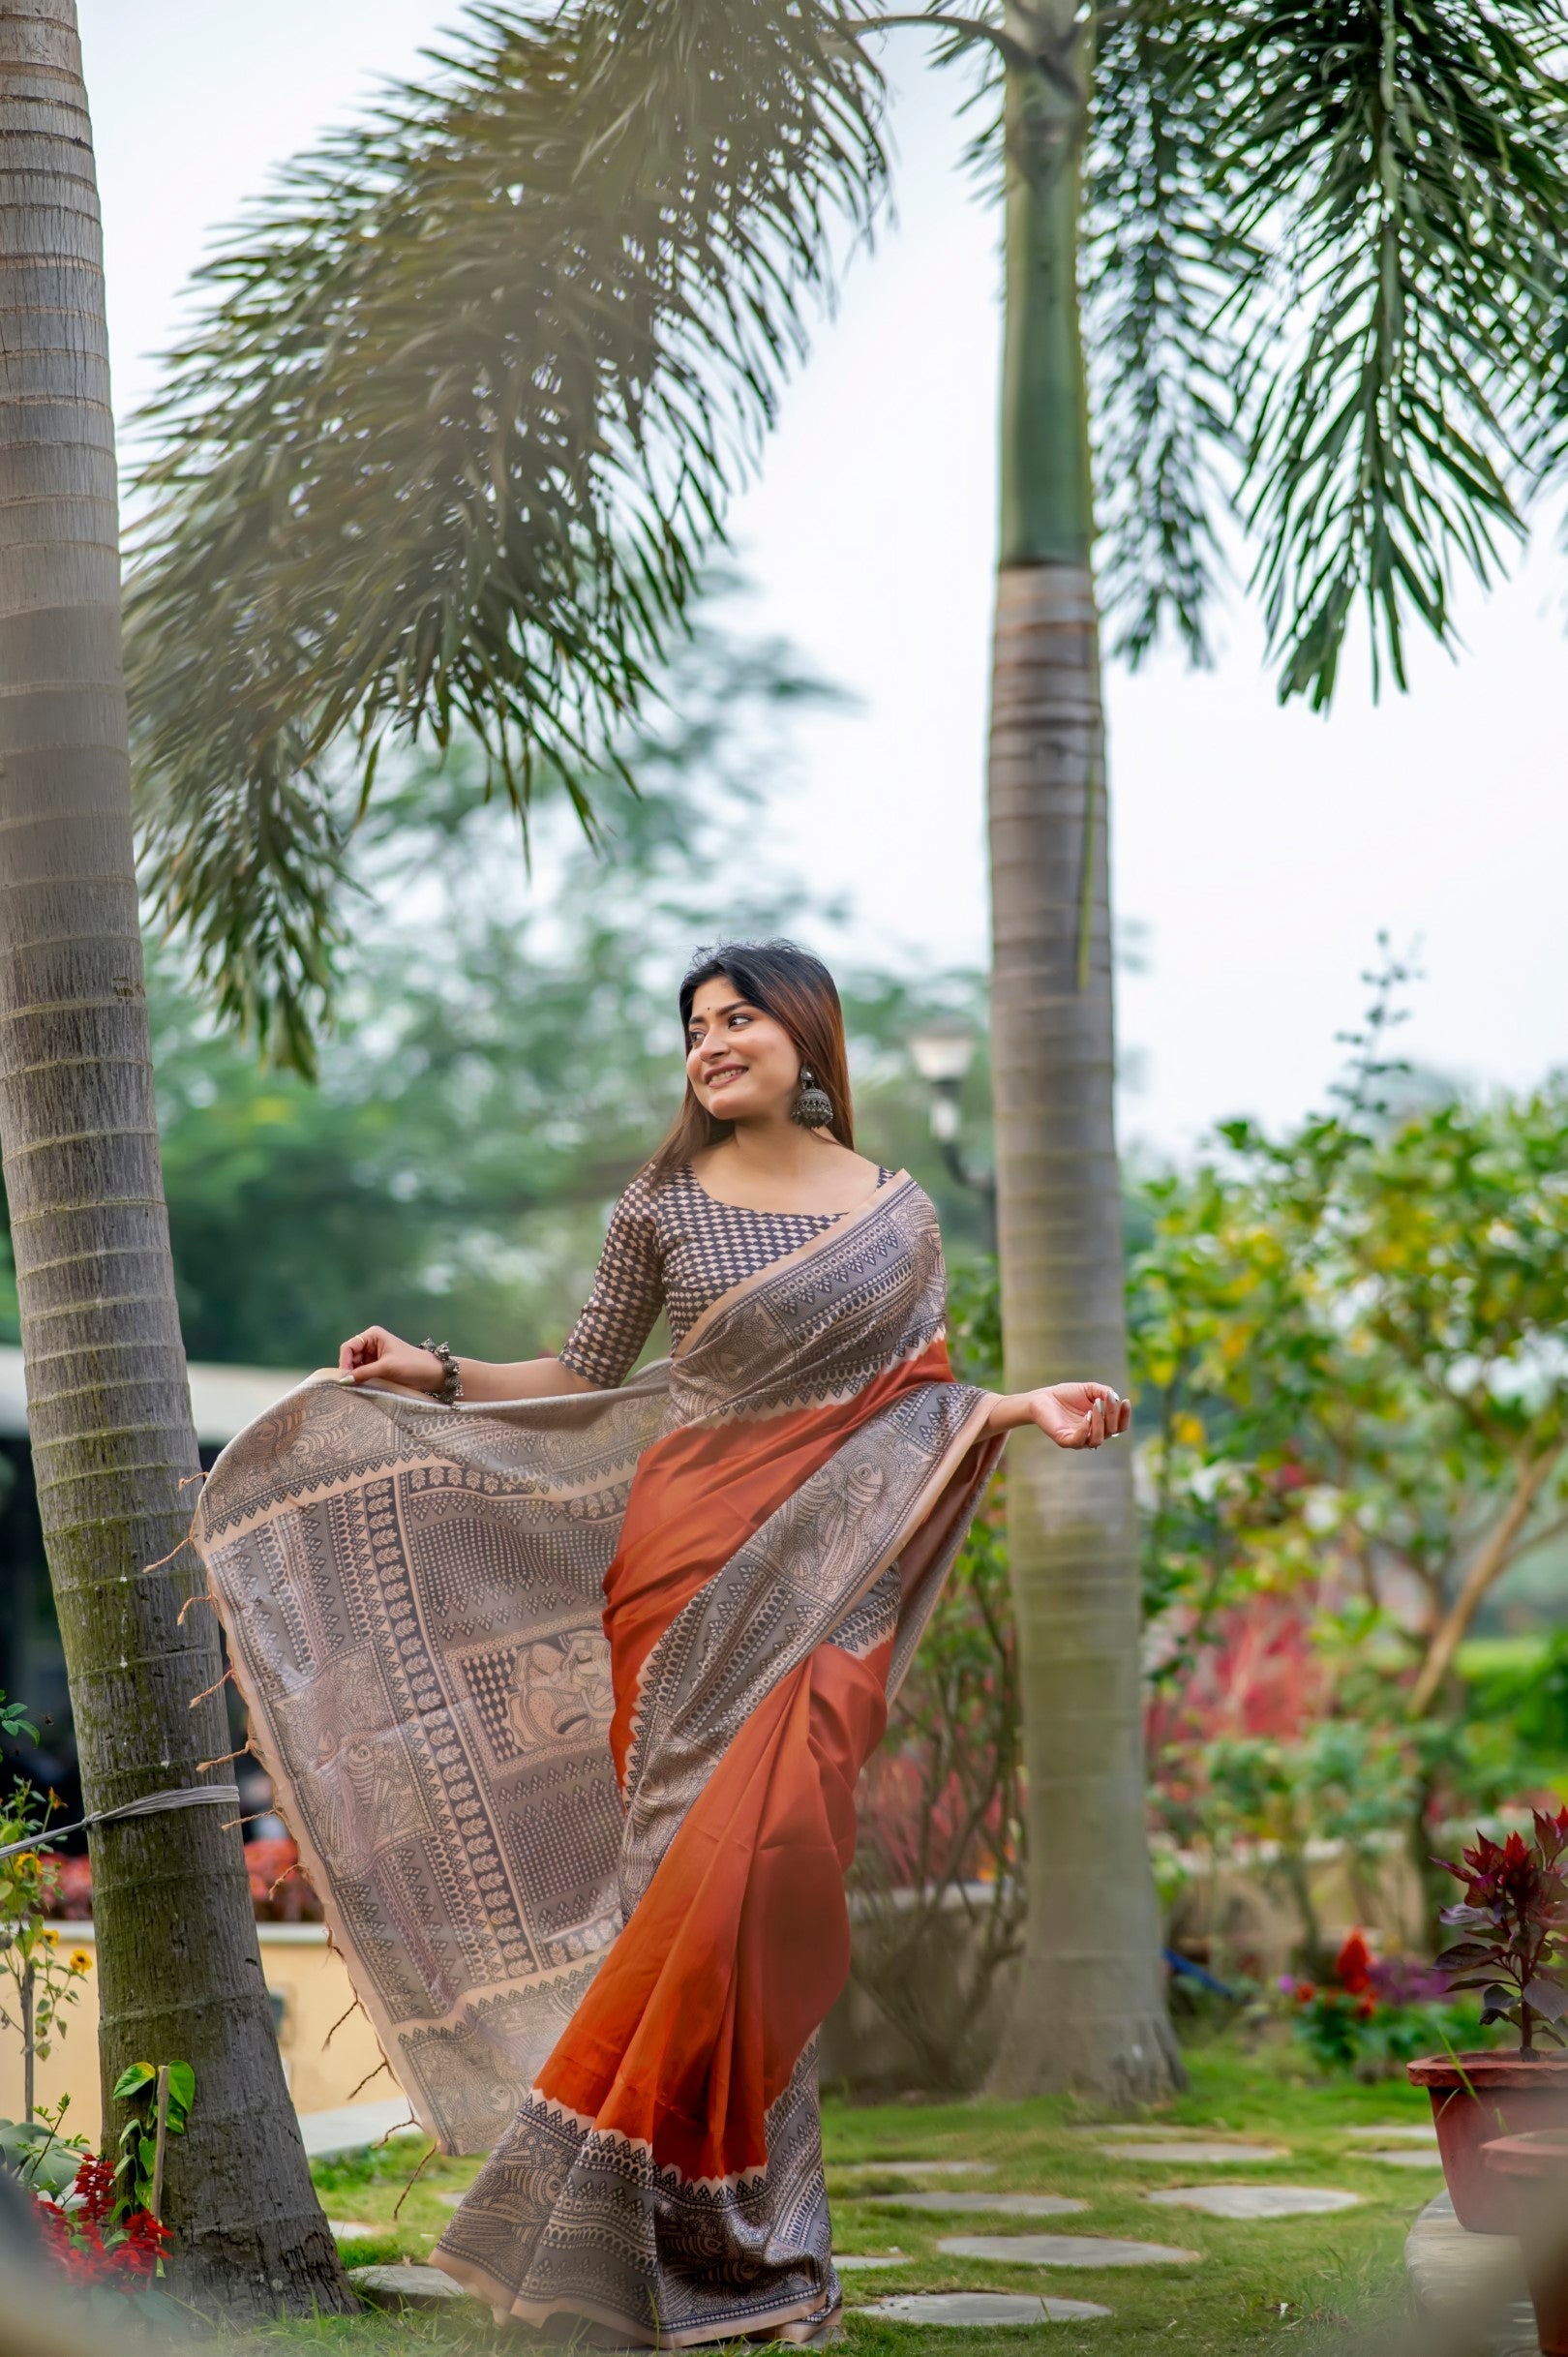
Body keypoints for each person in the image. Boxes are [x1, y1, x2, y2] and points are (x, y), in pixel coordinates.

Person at [195, 940, 1127, 2349]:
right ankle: (679, 2251)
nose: (710, 1042)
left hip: (830, 1593)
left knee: (773, 1876)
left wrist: (1016, 1410)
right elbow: (583, 1376)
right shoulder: (662, 1202)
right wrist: (434, 1373)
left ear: (807, 1038)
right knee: (685, 1892)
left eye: (737, 1017)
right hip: (677, 1580)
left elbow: (914, 1402)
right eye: (694, 1024)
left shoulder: (897, 1212)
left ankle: (723, 2237)